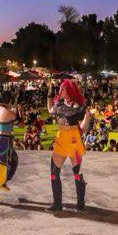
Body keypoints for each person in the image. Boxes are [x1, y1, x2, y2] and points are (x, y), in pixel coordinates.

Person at [47, 79, 89, 212]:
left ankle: (80, 203)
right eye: (60, 88)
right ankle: (57, 204)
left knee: (77, 173)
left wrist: (87, 117)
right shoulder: (59, 103)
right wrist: (49, 94)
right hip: (61, 141)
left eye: (63, 89)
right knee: (54, 173)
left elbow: (81, 128)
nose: (60, 91)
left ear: (69, 91)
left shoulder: (78, 107)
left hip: (73, 141)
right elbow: (50, 111)